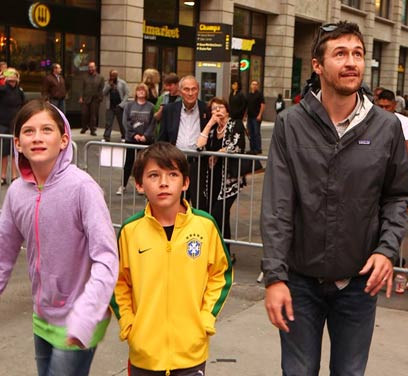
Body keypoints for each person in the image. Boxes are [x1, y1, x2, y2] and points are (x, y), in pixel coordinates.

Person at [261, 21, 408, 375]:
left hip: (359, 283)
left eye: (358, 54)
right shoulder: (291, 124)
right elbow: (278, 205)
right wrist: (275, 277)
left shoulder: (386, 127)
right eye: (340, 53)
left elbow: (397, 196)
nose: (352, 62)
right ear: (317, 65)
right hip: (300, 282)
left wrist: (386, 250)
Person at [0, 99, 118, 376]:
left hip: (81, 317)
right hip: (42, 315)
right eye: (28, 131)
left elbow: (107, 257)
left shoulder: (82, 188)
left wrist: (86, 316)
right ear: (17, 143)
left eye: (46, 130)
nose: (37, 138)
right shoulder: (17, 192)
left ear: (64, 140)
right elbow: (3, 251)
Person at [111, 141, 233, 376]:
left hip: (190, 353)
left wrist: (205, 319)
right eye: (154, 175)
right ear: (139, 184)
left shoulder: (205, 226)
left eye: (173, 174)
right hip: (144, 355)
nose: (164, 183)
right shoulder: (130, 231)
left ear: (185, 182)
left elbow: (221, 274)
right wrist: (128, 323)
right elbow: (117, 282)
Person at [196, 97, 246, 250]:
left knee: (218, 214)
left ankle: (221, 250)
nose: (217, 111)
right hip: (212, 179)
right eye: (214, 108)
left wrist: (217, 153)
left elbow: (235, 147)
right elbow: (199, 147)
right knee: (221, 217)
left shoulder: (235, 124)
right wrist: (210, 123)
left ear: (227, 109)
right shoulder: (212, 129)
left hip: (229, 180)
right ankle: (224, 251)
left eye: (220, 107)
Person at [158, 75, 210, 208]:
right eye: (187, 89)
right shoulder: (170, 110)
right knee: (175, 204)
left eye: (194, 89)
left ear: (198, 90)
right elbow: (162, 138)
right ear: (180, 91)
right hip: (176, 164)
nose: (191, 93)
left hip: (198, 164)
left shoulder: (207, 109)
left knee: (200, 205)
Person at [116, 83, 156, 195]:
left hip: (145, 141)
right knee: (128, 162)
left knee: (143, 164)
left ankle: (141, 186)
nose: (141, 92)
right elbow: (126, 121)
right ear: (136, 92)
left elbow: (152, 123)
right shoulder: (129, 106)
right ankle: (123, 185)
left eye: (143, 90)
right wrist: (134, 134)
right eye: (139, 90)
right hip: (131, 139)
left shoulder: (151, 107)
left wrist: (146, 136)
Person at [0, 68, 25, 185]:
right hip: (4, 124)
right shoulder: (3, 90)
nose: (13, 80)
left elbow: (23, 105)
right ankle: (3, 176)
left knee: (16, 151)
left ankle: (15, 176)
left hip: (15, 124)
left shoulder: (19, 91)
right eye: (11, 77)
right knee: (4, 152)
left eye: (15, 77)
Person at [376, 89, 408, 155]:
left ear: (394, 105)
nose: (383, 110)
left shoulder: (404, 121)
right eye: (381, 106)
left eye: (387, 107)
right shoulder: (370, 120)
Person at [102, 69, 129, 142]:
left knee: (122, 122)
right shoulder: (107, 83)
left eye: (114, 76)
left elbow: (127, 93)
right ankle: (106, 136)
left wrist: (122, 104)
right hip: (110, 106)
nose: (112, 77)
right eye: (111, 76)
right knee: (108, 122)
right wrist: (109, 86)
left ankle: (124, 136)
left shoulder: (122, 83)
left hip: (119, 106)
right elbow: (104, 93)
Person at [79, 61, 105, 136]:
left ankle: (92, 129)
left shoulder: (100, 77)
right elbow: (82, 88)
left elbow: (102, 89)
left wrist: (100, 98)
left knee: (93, 115)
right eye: (89, 67)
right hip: (86, 98)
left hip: (95, 99)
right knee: (84, 114)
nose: (91, 68)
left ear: (95, 67)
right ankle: (84, 127)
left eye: (92, 67)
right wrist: (81, 97)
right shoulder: (85, 77)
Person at [245, 80, 265, 154]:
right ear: (250, 85)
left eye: (256, 84)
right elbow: (247, 106)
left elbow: (262, 105)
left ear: (258, 86)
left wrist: (260, 115)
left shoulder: (259, 95)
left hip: (256, 117)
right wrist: (245, 116)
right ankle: (252, 148)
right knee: (250, 133)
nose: (254, 86)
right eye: (253, 84)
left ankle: (258, 148)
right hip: (250, 117)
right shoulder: (249, 95)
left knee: (256, 133)